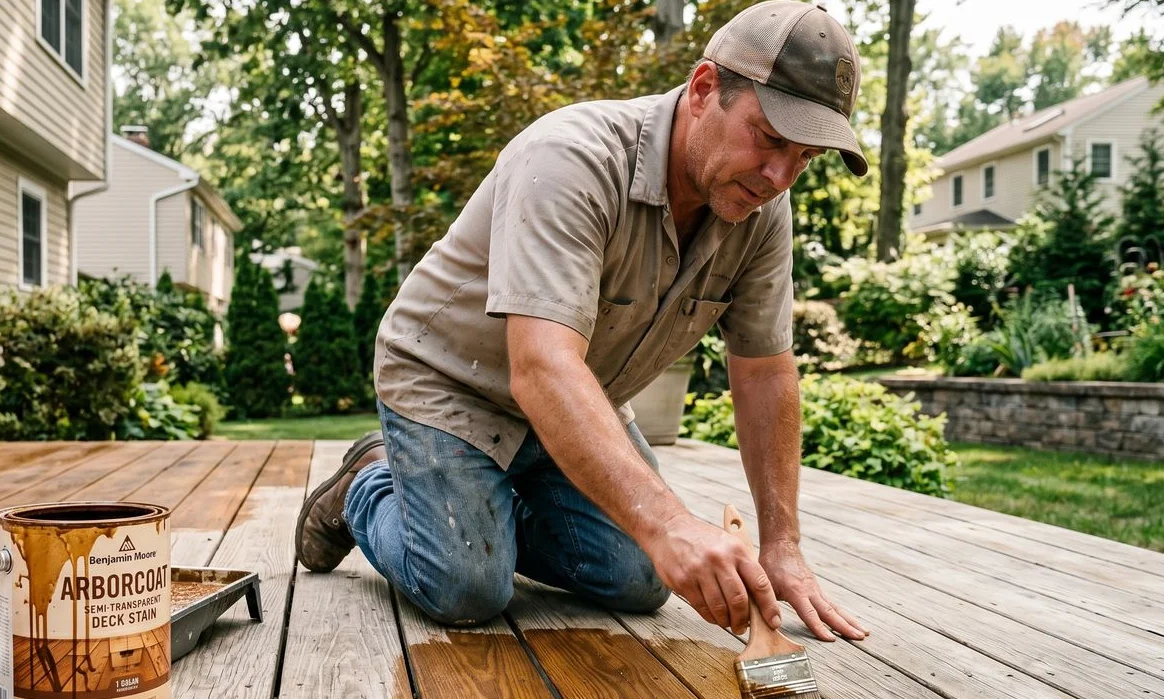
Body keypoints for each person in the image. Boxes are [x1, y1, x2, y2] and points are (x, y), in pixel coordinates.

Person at [295, 0, 870, 642]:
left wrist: (782, 541)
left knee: (644, 580)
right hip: (452, 386)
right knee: (469, 586)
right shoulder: (572, 158)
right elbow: (541, 368)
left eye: (804, 158)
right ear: (706, 89)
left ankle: (481, 507)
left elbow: (766, 372)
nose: (778, 176)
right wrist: (669, 524)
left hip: (579, 403)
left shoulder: (761, 211)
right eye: (769, 139)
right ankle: (368, 485)